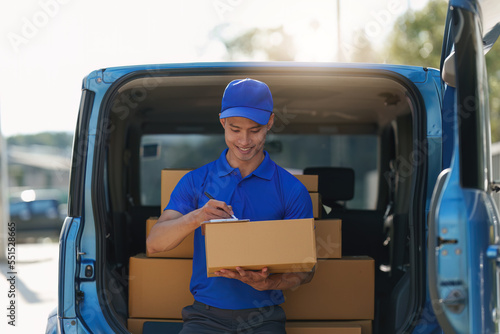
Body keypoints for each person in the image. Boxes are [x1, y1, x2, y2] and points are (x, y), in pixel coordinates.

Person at [147, 78, 314, 333]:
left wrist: (269, 283)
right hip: (205, 318)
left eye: (255, 130)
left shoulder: (291, 190)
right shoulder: (195, 182)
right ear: (223, 122)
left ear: (270, 122)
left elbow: (307, 270)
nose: (245, 141)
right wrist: (197, 217)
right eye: (235, 129)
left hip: (264, 319)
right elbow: (154, 243)